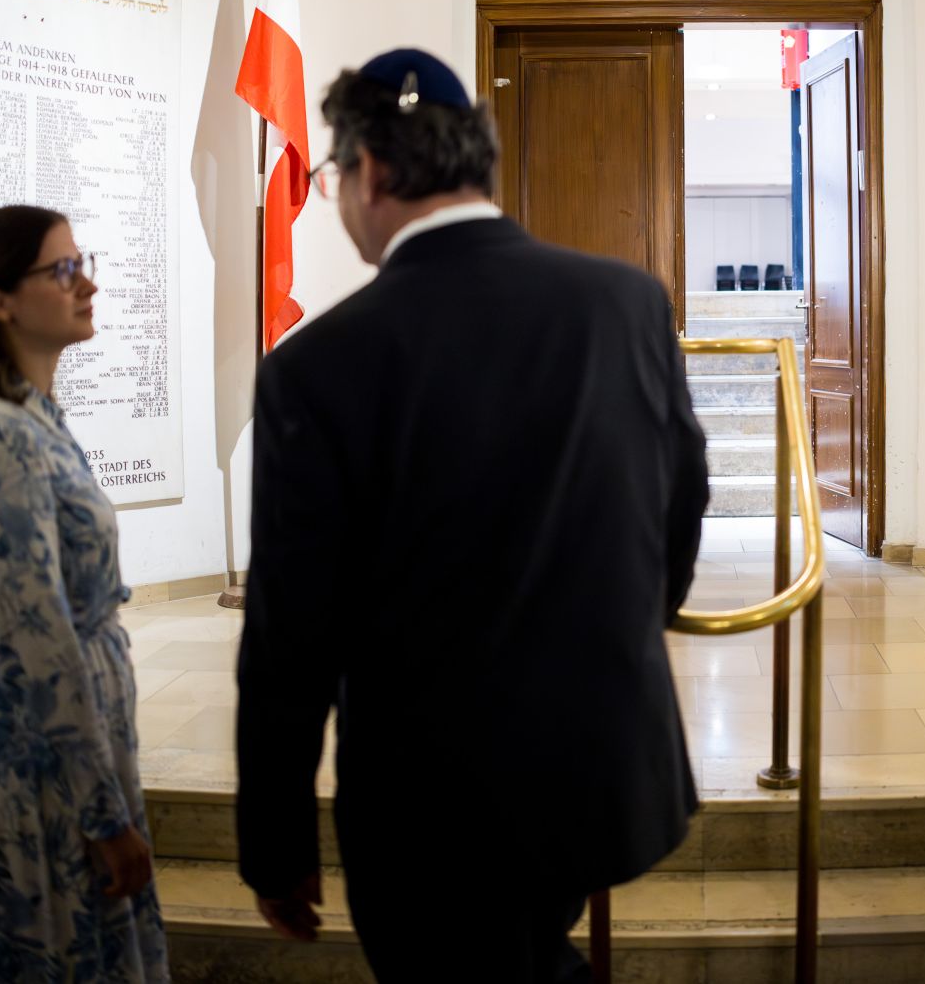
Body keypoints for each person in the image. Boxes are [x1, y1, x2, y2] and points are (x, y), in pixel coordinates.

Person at [236, 49, 709, 982]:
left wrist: (275, 842)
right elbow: (681, 497)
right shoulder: (624, 303)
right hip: (596, 765)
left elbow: (291, 637)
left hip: (426, 805)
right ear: (475, 161)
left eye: (332, 176)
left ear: (368, 170)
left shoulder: (317, 365)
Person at [0, 205, 166, 983]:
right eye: (62, 269)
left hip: (54, 750)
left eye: (81, 261)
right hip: (27, 762)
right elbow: (40, 636)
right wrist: (103, 812)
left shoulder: (34, 416)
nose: (86, 282)